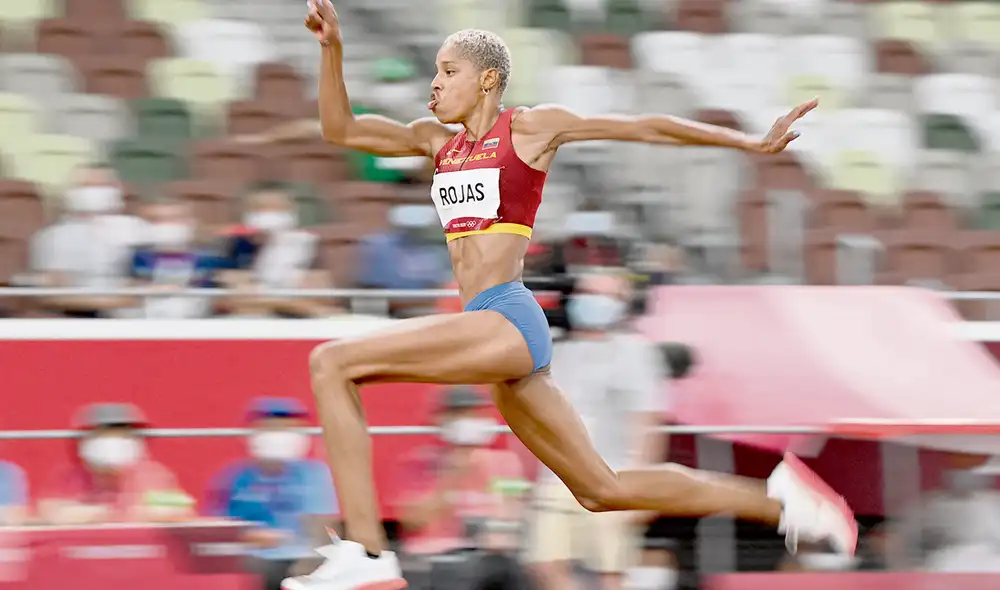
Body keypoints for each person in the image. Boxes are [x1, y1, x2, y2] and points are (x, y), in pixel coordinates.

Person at [282, 3, 857, 589]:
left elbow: (644, 127)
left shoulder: (529, 128)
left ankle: (368, 555)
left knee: (332, 362)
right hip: (490, 333)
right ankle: (780, 500)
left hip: (507, 316)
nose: (433, 83)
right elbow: (341, 129)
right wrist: (332, 48)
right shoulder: (436, 144)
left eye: (447, 71)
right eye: (434, 71)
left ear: (486, 79)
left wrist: (748, 143)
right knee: (601, 489)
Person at [525, 271, 666, 590]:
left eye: (604, 295)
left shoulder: (635, 352)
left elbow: (647, 421)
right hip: (558, 477)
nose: (590, 300)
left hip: (612, 475)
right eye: (587, 291)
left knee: (610, 572)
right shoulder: (557, 350)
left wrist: (644, 483)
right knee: (545, 565)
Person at [207, 398, 339, 590]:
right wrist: (246, 535)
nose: (279, 436)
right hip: (248, 562)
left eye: (288, 429)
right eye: (270, 428)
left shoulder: (315, 475)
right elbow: (213, 528)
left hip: (300, 561)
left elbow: (323, 528)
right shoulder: (233, 477)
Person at [37, 403, 195, 525]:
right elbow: (49, 513)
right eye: (103, 436)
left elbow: (180, 510)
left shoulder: (153, 475)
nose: (113, 443)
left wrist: (130, 514)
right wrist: (93, 514)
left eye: (123, 436)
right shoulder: (68, 477)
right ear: (83, 444)